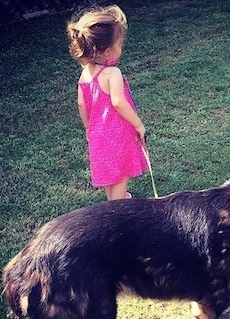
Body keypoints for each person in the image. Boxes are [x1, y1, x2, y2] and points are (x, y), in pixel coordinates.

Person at [67, 5, 148, 200]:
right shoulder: (112, 73)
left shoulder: (85, 74)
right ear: (108, 51)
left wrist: (89, 129)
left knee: (110, 173)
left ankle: (115, 199)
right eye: (120, 44)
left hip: (97, 135)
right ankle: (116, 209)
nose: (121, 47)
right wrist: (139, 125)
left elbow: (80, 104)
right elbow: (119, 102)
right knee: (121, 173)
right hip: (117, 134)